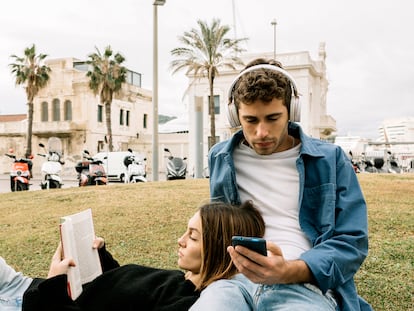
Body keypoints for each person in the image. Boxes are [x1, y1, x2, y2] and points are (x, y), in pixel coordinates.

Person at [204, 58, 372, 310]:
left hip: (303, 284)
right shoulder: (220, 157)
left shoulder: (330, 160)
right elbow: (219, 227)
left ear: (292, 111)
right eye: (251, 120)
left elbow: (352, 241)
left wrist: (288, 271)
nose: (261, 132)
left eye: (272, 118)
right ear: (235, 116)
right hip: (233, 282)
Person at [0, 200, 265, 311]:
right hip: (24, 286)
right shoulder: (180, 280)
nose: (180, 240)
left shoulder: (181, 302)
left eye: (193, 237)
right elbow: (126, 289)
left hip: (28, 304)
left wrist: (53, 286)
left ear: (219, 251)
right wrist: (102, 257)